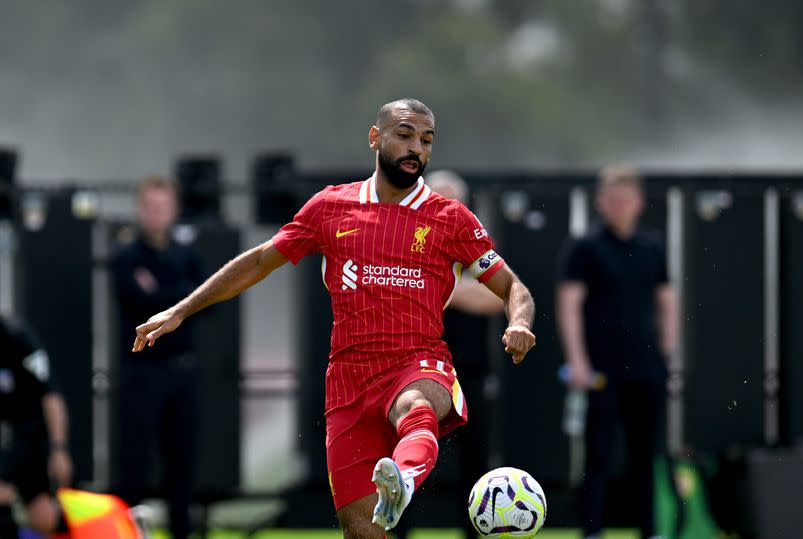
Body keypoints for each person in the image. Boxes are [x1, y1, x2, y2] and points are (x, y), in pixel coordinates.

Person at [131, 98, 536, 539]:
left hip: (418, 361)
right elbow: (258, 263)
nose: (416, 147)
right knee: (362, 534)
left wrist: (519, 322)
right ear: (375, 137)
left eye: (426, 140)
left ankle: (402, 476)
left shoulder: (450, 217)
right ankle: (395, 482)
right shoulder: (330, 207)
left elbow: (515, 288)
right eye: (404, 134)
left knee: (417, 407)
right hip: (347, 382)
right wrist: (180, 310)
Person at [556, 164, 678, 539]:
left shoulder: (652, 245)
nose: (619, 205)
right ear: (600, 202)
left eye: (625, 198)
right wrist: (578, 361)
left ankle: (650, 530)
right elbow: (569, 303)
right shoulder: (585, 246)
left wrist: (667, 351)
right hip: (601, 369)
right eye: (611, 198)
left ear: (639, 203)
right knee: (599, 455)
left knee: (646, 455)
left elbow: (667, 300)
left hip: (647, 367)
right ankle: (592, 531)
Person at [111, 176, 204, 539]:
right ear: (139, 210)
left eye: (162, 206)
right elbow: (138, 301)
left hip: (181, 372)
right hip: (142, 372)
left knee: (181, 466)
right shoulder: (125, 256)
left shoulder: (187, 255)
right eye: (149, 207)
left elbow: (203, 302)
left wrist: (166, 296)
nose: (156, 214)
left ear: (174, 210)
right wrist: (179, 298)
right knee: (133, 464)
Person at [425, 170, 503, 538]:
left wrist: (441, 287)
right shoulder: (405, 244)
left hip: (468, 371)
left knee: (476, 463)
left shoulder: (478, 248)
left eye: (451, 200)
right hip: (417, 371)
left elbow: (496, 296)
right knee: (409, 459)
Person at [0, 315, 72, 538]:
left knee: (45, 517)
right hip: (6, 438)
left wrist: (59, 449)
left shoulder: (14, 336)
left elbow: (50, 395)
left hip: (32, 435)